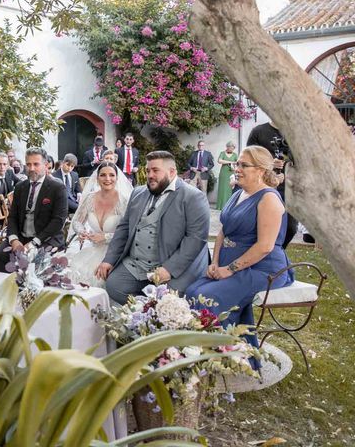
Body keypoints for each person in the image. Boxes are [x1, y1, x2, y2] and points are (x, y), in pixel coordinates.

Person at [185, 146, 294, 348]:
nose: (237, 169)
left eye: (244, 165)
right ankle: (203, 350)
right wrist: (215, 262)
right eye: (237, 164)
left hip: (263, 269)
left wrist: (229, 269)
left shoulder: (268, 198)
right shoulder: (238, 194)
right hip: (229, 265)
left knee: (208, 298)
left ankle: (221, 351)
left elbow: (265, 246)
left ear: (261, 170)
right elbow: (222, 232)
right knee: (191, 290)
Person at [96, 151, 210, 304]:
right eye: (148, 170)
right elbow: (124, 228)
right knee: (114, 286)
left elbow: (196, 239)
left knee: (169, 300)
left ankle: (154, 311)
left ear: (172, 172)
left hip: (169, 264)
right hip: (136, 263)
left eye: (155, 170)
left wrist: (169, 269)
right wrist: (109, 260)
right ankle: (144, 310)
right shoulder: (138, 192)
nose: (150, 175)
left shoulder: (193, 197)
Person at [0, 147, 68, 272]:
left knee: (34, 262)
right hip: (21, 238)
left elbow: (58, 221)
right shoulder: (21, 187)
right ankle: (9, 288)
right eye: (28, 164)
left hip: (45, 239)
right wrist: (14, 240)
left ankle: (29, 289)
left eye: (36, 164)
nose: (31, 168)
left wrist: (34, 243)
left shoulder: (57, 188)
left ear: (46, 165)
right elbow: (13, 217)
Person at [66, 161, 133, 287]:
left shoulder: (124, 201)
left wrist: (105, 237)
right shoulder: (90, 198)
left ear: (117, 178)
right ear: (97, 178)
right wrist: (81, 231)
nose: (107, 179)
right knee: (75, 271)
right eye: (103, 175)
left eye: (111, 175)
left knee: (99, 278)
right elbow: (76, 221)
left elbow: (129, 232)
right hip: (92, 250)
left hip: (115, 253)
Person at [247, 121, 298, 248]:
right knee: (259, 223)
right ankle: (261, 251)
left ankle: (277, 251)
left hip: (287, 188)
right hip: (262, 185)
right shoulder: (258, 132)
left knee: (290, 228)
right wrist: (269, 163)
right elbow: (249, 158)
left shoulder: (294, 133)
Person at [216, 141, 238, 210]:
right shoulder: (222, 153)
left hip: (231, 173)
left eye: (233, 148)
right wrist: (231, 162)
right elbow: (220, 161)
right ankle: (221, 206)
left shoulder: (235, 154)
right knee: (222, 189)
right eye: (231, 148)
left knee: (229, 189)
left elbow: (237, 163)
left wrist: (234, 167)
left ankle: (228, 206)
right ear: (227, 147)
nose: (232, 149)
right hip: (223, 173)